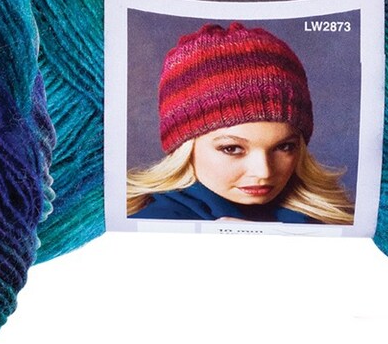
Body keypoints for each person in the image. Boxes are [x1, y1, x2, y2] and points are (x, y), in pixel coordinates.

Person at [127, 21, 355, 224]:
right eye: (232, 148)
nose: (263, 172)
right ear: (184, 148)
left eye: (284, 147)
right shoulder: (150, 231)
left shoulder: (331, 221)